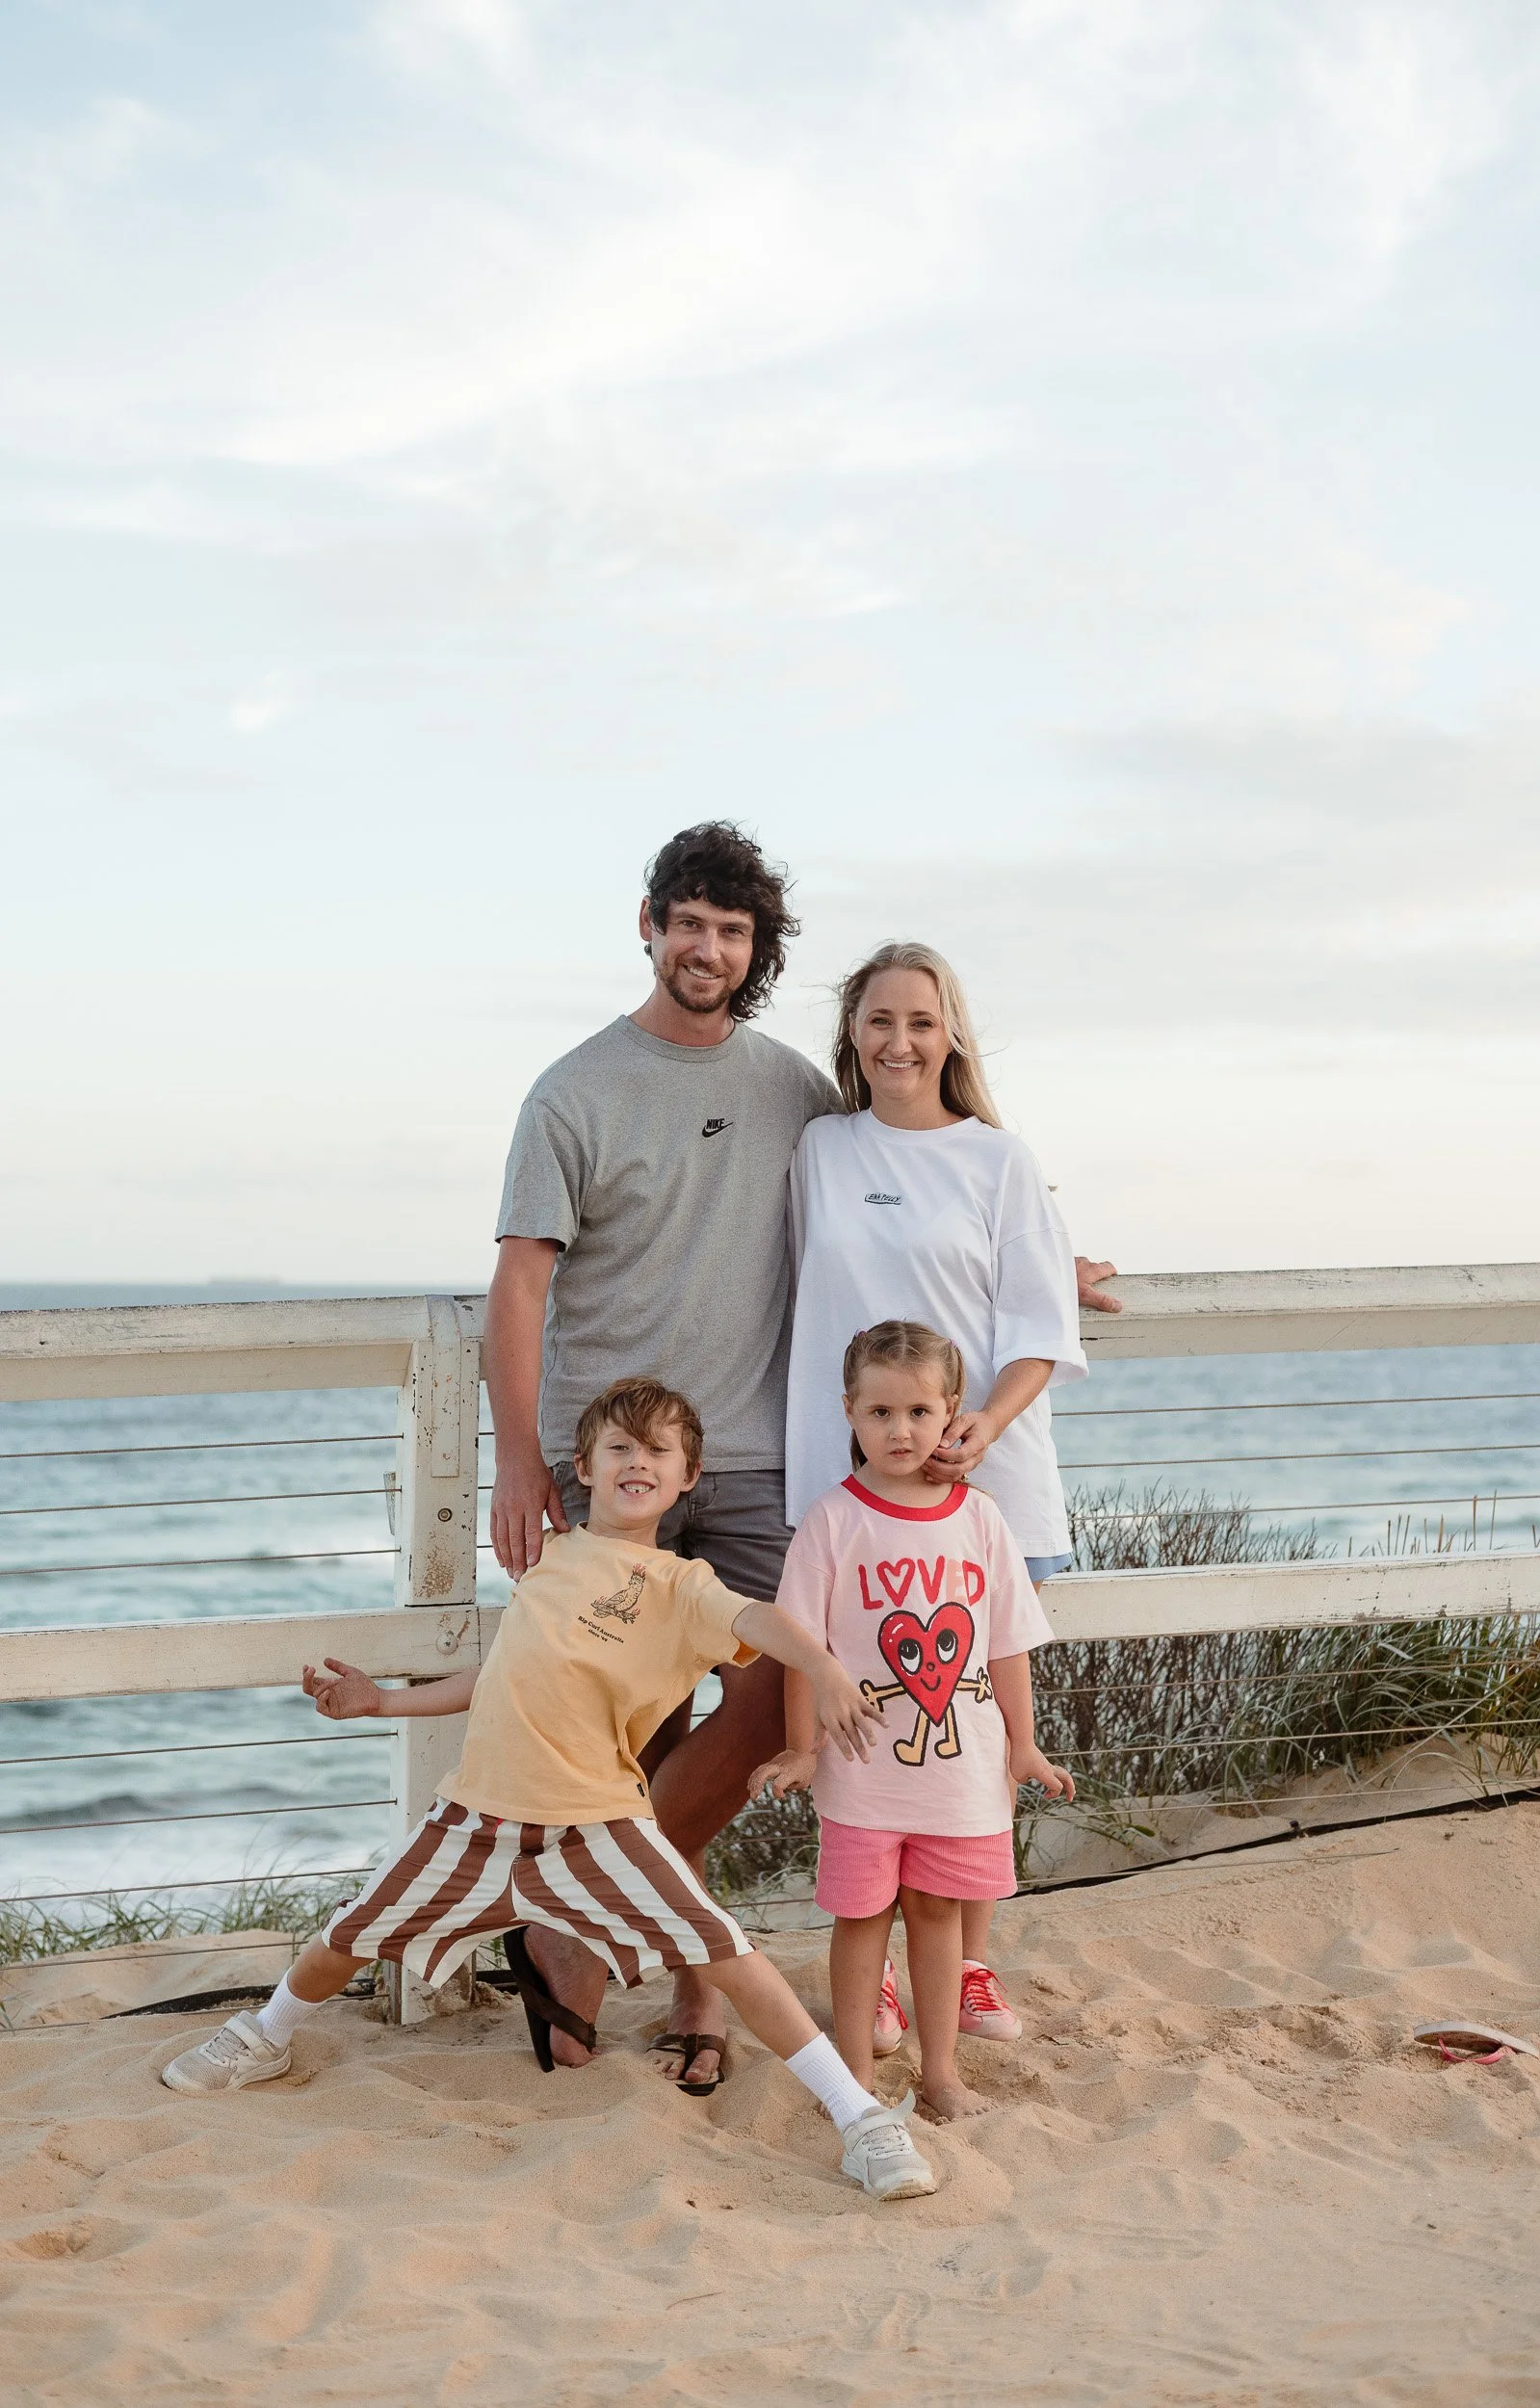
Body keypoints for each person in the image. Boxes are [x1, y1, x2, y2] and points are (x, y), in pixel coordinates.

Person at [485, 827, 1119, 2082]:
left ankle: (570, 1922)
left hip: (762, 1458)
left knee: (775, 1692)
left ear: (755, 950)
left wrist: (1062, 1253)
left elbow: (939, 1163)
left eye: (731, 930)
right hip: (610, 1463)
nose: (706, 948)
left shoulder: (788, 1092)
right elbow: (514, 1286)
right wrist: (516, 1462)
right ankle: (693, 1997)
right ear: (649, 927)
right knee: (635, 1719)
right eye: (688, 924)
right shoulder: (571, 1092)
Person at [160, 1376, 938, 2204]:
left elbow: (762, 1622)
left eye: (658, 1451)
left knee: (727, 1954)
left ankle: (860, 2120)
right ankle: (264, 2037)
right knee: (348, 1935)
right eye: (619, 1448)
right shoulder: (551, 1557)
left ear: (687, 1479)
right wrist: (381, 1700)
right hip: (472, 1821)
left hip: (595, 1826)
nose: (637, 1461)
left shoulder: (684, 1586)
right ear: (584, 1468)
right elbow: (494, 1674)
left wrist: (822, 1666)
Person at [784, 940, 1086, 2051]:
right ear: (851, 1035)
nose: (899, 1042)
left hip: (982, 1480)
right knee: (869, 1732)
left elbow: (1038, 1324)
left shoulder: (1000, 1160)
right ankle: (884, 1972)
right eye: (878, 1021)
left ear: (950, 1031)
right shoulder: (820, 1147)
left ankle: (970, 1970)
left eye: (920, 1020)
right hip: (856, 1486)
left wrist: (983, 1425)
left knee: (970, 1731)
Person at [752, 1322, 1074, 2119]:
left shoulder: (979, 1518)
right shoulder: (832, 1520)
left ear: (951, 1412)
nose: (900, 1431)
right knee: (860, 1918)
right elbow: (802, 1645)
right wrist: (801, 1748)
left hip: (961, 1772)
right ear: (849, 1413)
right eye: (880, 1413)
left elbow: (1005, 1646)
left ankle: (940, 2075)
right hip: (863, 1772)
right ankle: (856, 2081)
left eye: (919, 1412)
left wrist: (1025, 1746)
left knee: (936, 1917)